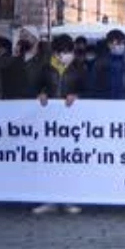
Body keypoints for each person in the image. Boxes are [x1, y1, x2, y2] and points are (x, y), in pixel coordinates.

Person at [31, 34, 84, 216]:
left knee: (69, 160)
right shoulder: (46, 68)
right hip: (49, 122)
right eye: (62, 52)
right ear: (55, 53)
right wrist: (42, 93)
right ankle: (49, 199)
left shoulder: (79, 68)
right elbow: (36, 87)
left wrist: (77, 96)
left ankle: (69, 199)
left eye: (68, 52)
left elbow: (88, 89)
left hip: (72, 123)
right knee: (49, 160)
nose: (65, 56)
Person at [89, 30, 125, 100]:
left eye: (122, 43)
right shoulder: (100, 63)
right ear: (109, 45)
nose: (121, 46)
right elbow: (92, 86)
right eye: (118, 43)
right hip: (105, 103)